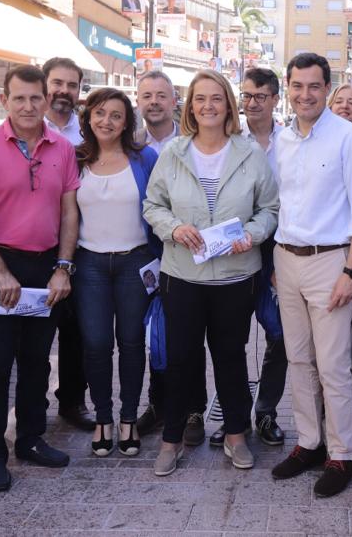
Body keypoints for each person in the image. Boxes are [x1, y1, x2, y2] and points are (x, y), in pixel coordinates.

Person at [143, 69, 278, 476]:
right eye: (200, 98)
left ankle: (236, 435)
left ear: (229, 106)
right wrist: (173, 228)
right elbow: (153, 205)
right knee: (181, 359)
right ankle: (171, 440)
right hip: (182, 276)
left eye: (216, 98)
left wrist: (253, 234)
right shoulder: (174, 153)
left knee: (231, 358)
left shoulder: (249, 153)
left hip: (235, 277)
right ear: (189, 107)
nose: (208, 106)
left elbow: (269, 209)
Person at [0, 65, 80, 493]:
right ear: (4, 101)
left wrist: (63, 268)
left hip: (45, 268)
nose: (28, 106)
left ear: (46, 100)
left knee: (36, 361)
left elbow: (69, 212)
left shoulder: (62, 147)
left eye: (35, 98)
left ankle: (30, 439)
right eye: (19, 98)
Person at [269, 53, 352, 498]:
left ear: (327, 89)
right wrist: (276, 263)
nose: (305, 94)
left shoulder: (349, 137)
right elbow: (278, 202)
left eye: (314, 86)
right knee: (298, 358)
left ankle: (341, 453)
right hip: (286, 259)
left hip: (331, 261)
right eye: (297, 86)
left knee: (333, 364)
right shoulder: (282, 139)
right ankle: (309, 442)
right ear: (288, 88)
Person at [72, 89, 161, 457]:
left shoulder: (145, 158)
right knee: (95, 344)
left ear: (126, 123)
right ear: (88, 117)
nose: (106, 121)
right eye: (99, 113)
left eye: (115, 115)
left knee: (131, 342)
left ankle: (128, 419)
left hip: (134, 262)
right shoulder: (75, 158)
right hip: (89, 264)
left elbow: (160, 206)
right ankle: (102, 418)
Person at [208, 66, 289, 448]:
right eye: (246, 96)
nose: (252, 103)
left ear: (275, 99)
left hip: (279, 248)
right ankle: (234, 416)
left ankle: (266, 411)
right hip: (233, 247)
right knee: (231, 338)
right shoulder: (227, 140)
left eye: (260, 96)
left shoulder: (291, 142)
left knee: (279, 334)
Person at [132, 70, 208, 445]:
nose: (154, 102)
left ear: (174, 100)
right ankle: (158, 404)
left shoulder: (193, 142)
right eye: (147, 96)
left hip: (187, 250)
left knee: (189, 334)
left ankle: (194, 409)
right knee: (156, 335)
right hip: (145, 253)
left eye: (161, 95)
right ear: (138, 101)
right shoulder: (130, 145)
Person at [40, 58, 93, 431]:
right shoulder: (26, 125)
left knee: (77, 333)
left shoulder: (88, 134)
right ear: (44, 84)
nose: (64, 91)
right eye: (57, 83)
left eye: (72, 85)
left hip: (80, 248)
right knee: (36, 334)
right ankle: (33, 403)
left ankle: (73, 401)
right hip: (37, 246)